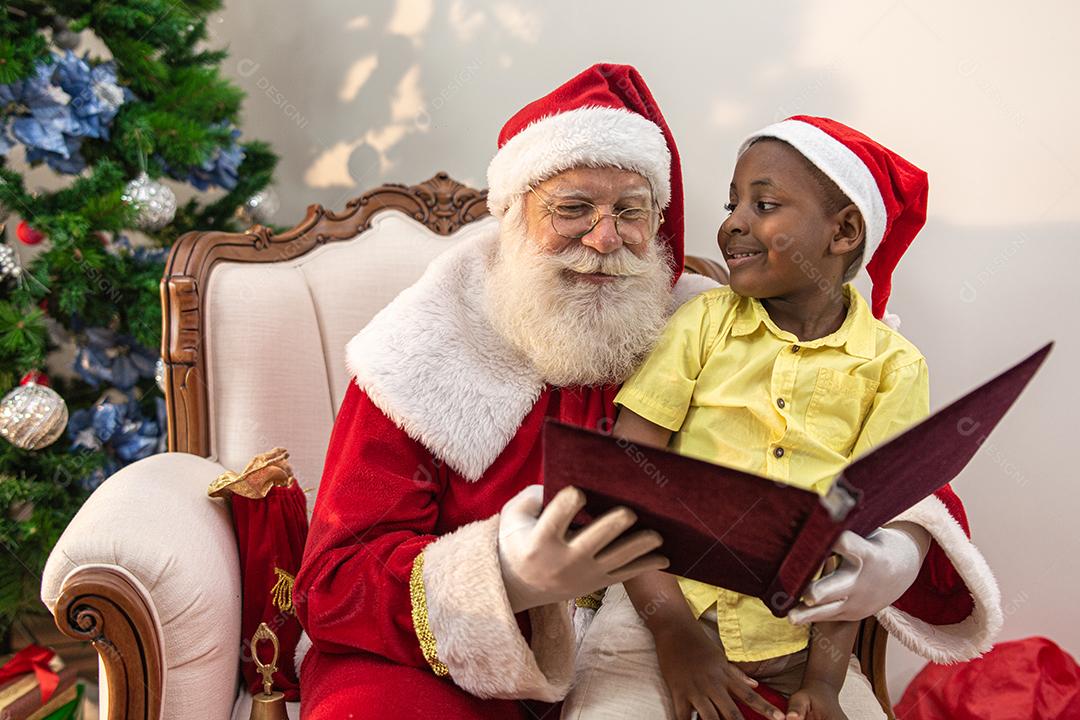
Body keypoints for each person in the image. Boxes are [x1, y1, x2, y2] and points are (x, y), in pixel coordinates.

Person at [292, 65, 1001, 720]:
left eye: (632, 212)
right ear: (511, 218)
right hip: (450, 672)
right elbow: (331, 584)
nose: (606, 240)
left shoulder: (710, 323)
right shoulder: (422, 350)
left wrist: (899, 552)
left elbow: (894, 475)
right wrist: (504, 577)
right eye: (572, 208)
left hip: (680, 650)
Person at [562, 116, 981, 720]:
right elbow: (623, 474)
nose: (733, 221)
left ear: (843, 232)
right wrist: (675, 636)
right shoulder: (702, 324)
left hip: (800, 640)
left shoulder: (894, 368)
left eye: (764, 204)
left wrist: (826, 682)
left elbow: (858, 537)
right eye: (734, 203)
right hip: (656, 619)